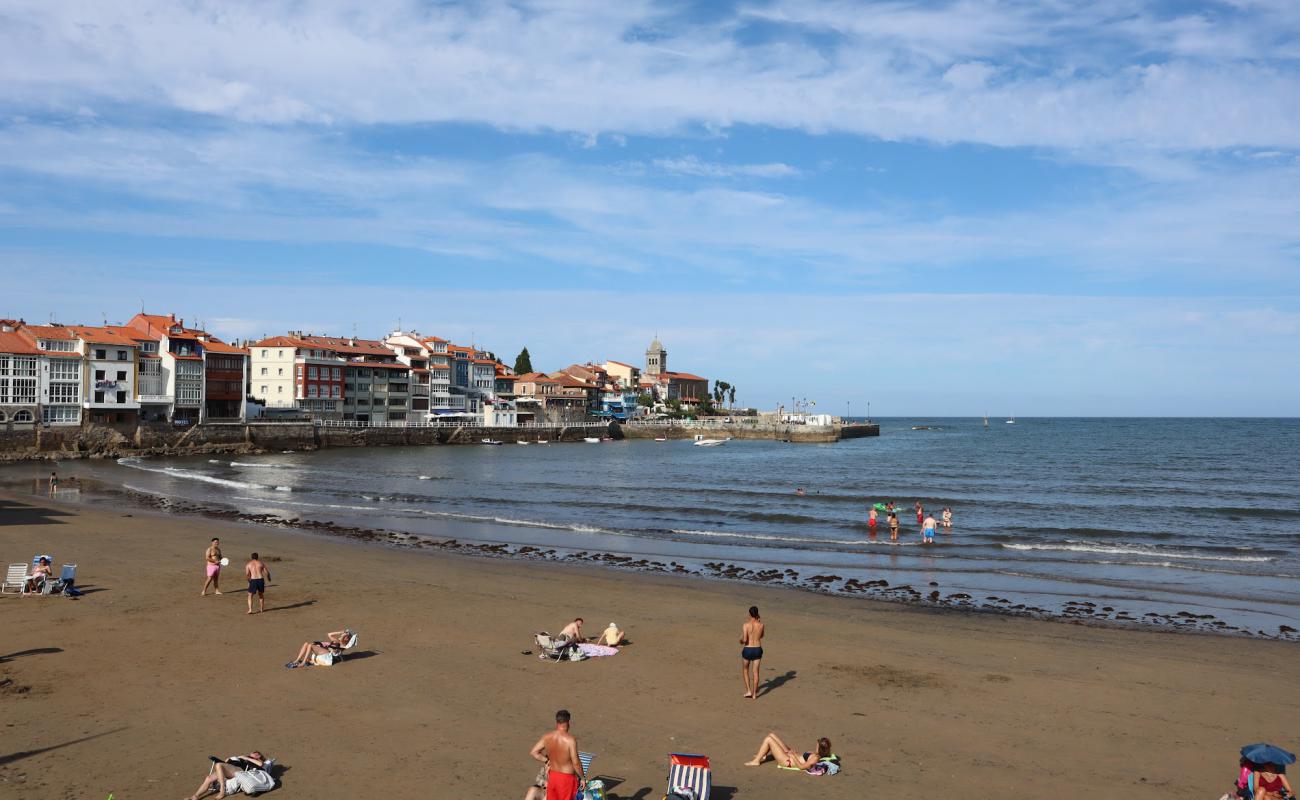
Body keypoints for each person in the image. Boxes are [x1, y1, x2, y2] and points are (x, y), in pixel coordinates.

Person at [529, 709, 585, 800]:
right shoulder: (570, 740)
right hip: (566, 779)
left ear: (557, 722)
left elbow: (534, 752)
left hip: (553, 777)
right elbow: (576, 763)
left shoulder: (547, 737)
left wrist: (547, 760)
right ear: (569, 722)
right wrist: (582, 778)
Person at [184, 751, 272, 800]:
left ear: (258, 756)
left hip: (239, 770)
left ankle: (222, 791)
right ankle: (195, 796)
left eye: (256, 753)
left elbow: (261, 765)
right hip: (229, 768)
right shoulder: (243, 756)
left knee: (218, 765)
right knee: (209, 778)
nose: (253, 753)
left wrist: (246, 758)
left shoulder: (254, 760)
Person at [744, 733, 832, 769]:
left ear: (820, 747)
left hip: (787, 761)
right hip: (791, 755)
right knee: (771, 735)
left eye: (818, 743)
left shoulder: (815, 758)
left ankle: (756, 761)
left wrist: (793, 756)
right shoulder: (816, 754)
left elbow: (802, 767)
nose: (816, 744)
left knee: (768, 739)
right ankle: (763, 755)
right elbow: (803, 757)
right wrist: (795, 753)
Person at [285, 628, 354, 668]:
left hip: (328, 655)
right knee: (306, 643)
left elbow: (340, 645)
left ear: (347, 640)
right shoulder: (337, 641)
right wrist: (340, 632)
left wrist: (344, 635)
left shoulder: (343, 644)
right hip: (325, 651)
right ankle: (297, 660)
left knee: (310, 646)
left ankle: (303, 662)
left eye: (346, 637)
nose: (344, 636)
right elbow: (329, 634)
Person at [740, 605, 764, 700]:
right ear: (757, 614)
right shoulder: (761, 625)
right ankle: (754, 694)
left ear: (749, 614)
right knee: (756, 672)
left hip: (748, 649)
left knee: (745, 669)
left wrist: (740, 641)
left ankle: (749, 691)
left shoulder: (746, 625)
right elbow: (761, 636)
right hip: (757, 649)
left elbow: (745, 639)